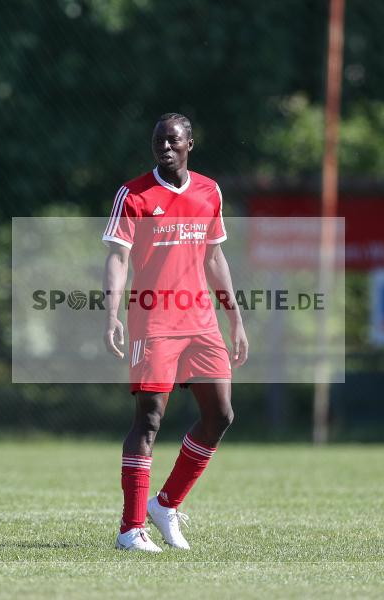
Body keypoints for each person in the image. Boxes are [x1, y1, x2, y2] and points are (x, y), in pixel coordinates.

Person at [102, 113, 248, 552]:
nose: (164, 148)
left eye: (173, 141)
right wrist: (111, 313)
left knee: (220, 415)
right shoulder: (134, 195)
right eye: (158, 141)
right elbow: (117, 258)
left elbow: (215, 258)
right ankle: (130, 529)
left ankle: (165, 505)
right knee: (148, 420)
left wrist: (235, 317)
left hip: (201, 321)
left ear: (189, 144)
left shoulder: (209, 191)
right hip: (155, 321)